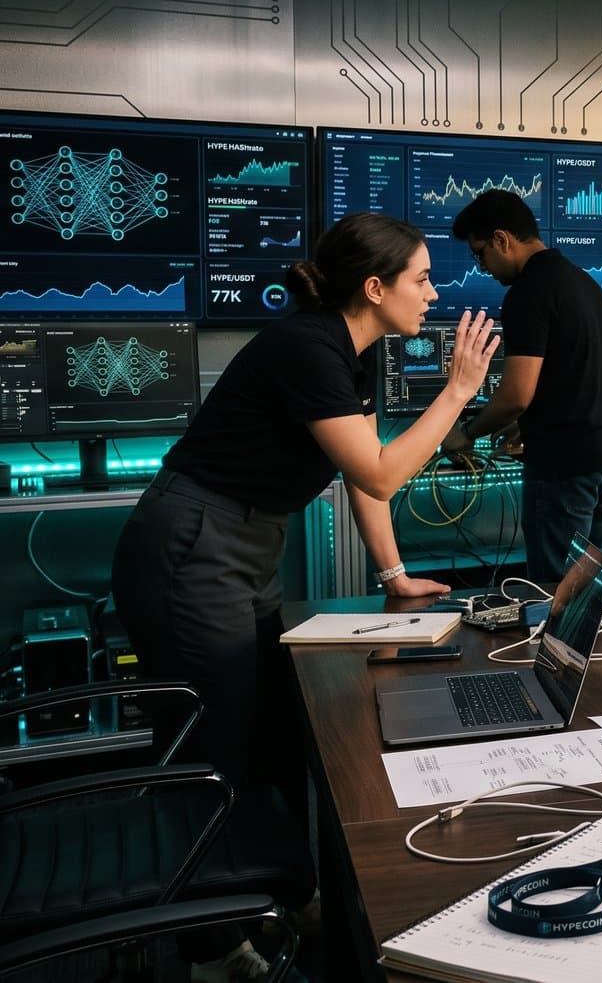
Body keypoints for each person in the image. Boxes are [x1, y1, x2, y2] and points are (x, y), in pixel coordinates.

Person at [111, 213, 496, 981]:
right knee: (213, 749)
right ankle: (211, 949)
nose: (434, 292)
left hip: (245, 545)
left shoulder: (349, 353)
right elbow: (382, 470)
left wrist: (393, 574)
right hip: (194, 547)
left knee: (275, 732)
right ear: (375, 287)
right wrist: (458, 390)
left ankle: (279, 896)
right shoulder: (308, 347)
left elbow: (363, 472)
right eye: (422, 278)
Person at [439, 190, 602, 582]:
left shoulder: (527, 293)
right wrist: (526, 425)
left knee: (556, 589)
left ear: (502, 239)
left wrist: (465, 434)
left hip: (561, 469)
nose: (482, 267)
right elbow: (574, 375)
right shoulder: (584, 283)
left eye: (480, 253)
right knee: (595, 588)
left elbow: (516, 395)